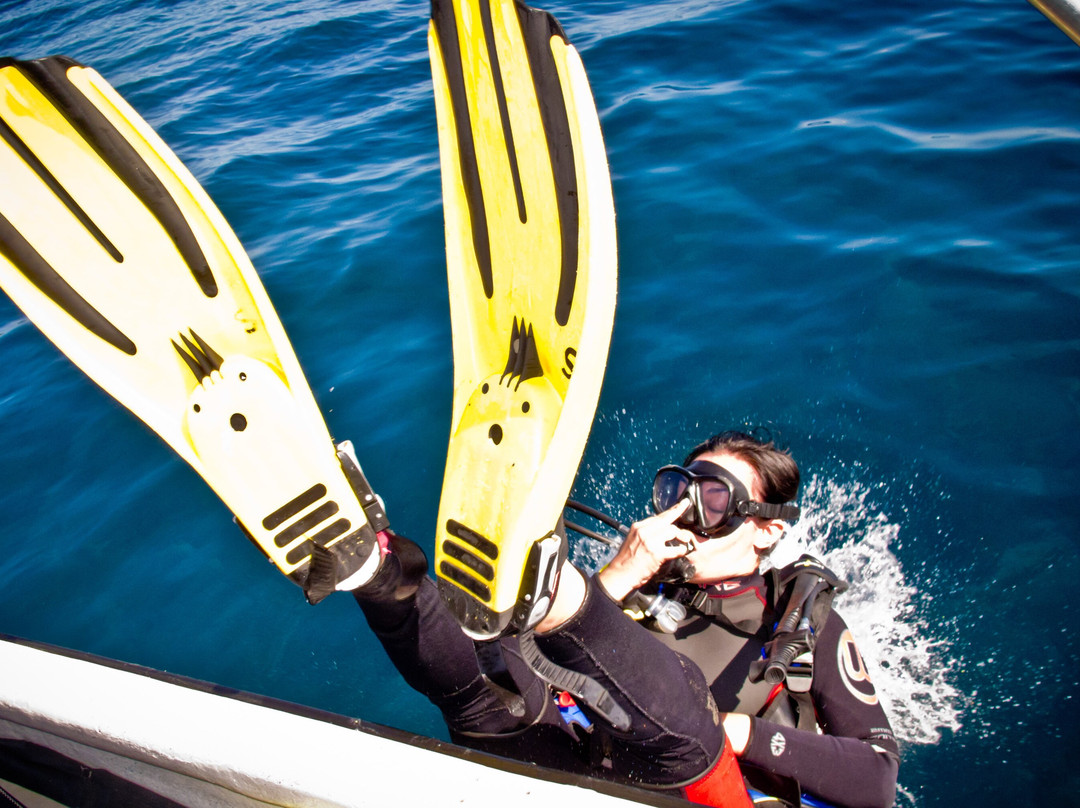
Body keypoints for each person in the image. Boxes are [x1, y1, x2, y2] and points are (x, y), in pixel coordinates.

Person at [350, 431, 899, 807]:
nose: (685, 516)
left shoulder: (800, 620)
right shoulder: (633, 592)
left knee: (687, 718)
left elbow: (877, 778)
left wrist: (740, 734)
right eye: (678, 493)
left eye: (711, 502)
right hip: (590, 784)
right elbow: (531, 684)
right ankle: (369, 563)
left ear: (766, 529)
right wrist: (616, 576)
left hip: (709, 791)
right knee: (489, 687)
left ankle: (546, 582)